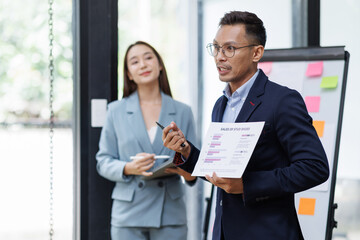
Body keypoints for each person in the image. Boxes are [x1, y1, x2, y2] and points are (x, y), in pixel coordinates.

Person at [161, 11, 329, 240]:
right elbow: (220, 171)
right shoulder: (221, 104)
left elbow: (315, 167)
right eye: (216, 48)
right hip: (225, 232)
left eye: (230, 48)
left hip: (269, 233)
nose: (220, 57)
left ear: (256, 52)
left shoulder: (282, 101)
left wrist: (247, 184)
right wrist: (186, 151)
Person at [96, 41, 197, 240]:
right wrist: (129, 168)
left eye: (148, 57)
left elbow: (195, 165)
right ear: (129, 74)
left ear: (160, 65)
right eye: (134, 62)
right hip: (128, 215)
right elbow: (103, 161)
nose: (143, 64)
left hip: (170, 213)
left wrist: (184, 170)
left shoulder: (183, 111)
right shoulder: (115, 111)